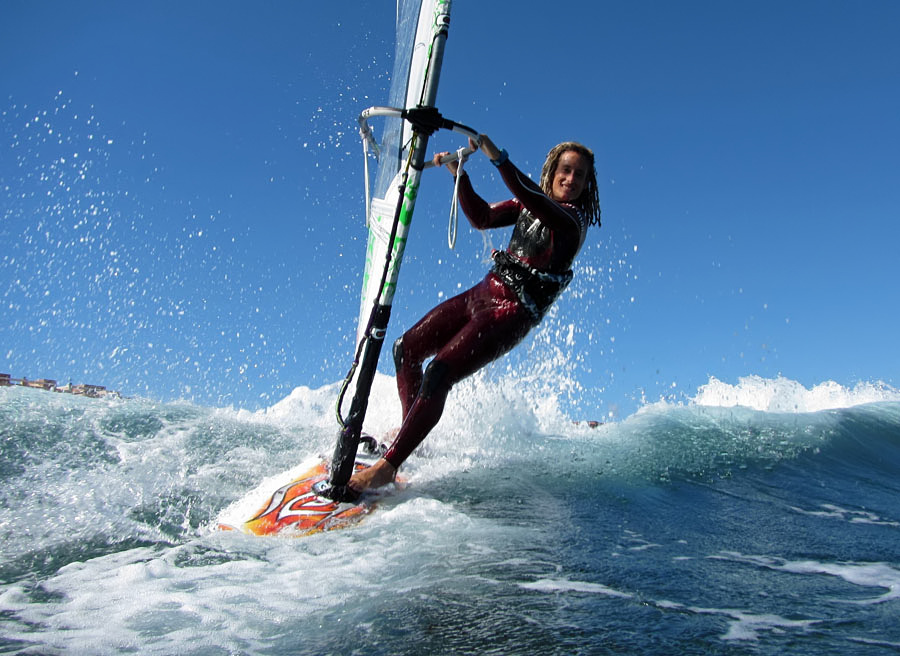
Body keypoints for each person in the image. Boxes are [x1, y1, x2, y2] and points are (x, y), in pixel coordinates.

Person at [349, 134, 601, 493]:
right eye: (566, 170)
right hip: (484, 292)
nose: (571, 180)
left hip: (514, 311)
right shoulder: (527, 205)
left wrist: (499, 157)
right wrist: (459, 174)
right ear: (553, 171)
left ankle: (388, 467)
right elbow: (481, 218)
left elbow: (532, 195)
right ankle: (410, 438)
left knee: (439, 373)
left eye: (579, 175)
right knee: (406, 350)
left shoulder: (572, 221)